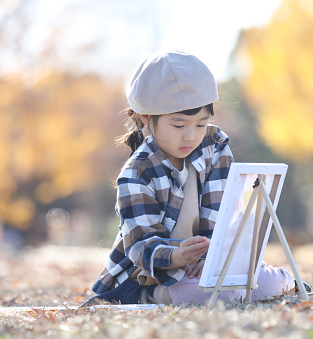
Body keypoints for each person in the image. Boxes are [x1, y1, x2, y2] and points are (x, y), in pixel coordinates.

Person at [83, 50, 296, 306]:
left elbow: (223, 214)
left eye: (200, 124)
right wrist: (178, 257)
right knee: (210, 294)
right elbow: (140, 245)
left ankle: (275, 283)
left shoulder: (214, 146)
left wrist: (209, 258)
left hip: (209, 268)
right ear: (146, 119)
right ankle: (148, 296)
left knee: (263, 284)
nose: (190, 136)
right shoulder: (136, 173)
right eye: (178, 125)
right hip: (153, 274)